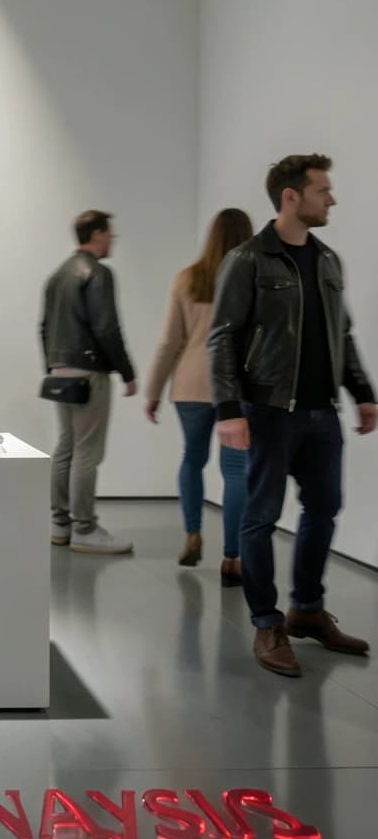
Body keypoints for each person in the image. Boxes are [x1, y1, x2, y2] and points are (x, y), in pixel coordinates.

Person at [208, 154, 376, 677]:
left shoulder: (327, 260)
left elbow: (340, 335)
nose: (332, 199)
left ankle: (306, 609)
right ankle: (266, 621)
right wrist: (229, 409)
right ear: (290, 197)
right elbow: (222, 338)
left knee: (324, 511)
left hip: (321, 414)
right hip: (269, 410)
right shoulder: (248, 259)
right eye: (323, 190)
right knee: (260, 517)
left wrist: (362, 391)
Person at [145, 208, 253, 584]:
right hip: (237, 387)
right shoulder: (252, 275)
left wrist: (153, 390)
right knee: (236, 470)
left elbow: (169, 341)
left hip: (190, 384)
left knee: (192, 459)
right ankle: (233, 557)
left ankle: (192, 534)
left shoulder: (187, 279)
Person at [40, 209, 137, 554]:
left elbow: (44, 327)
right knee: (86, 452)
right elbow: (106, 327)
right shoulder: (97, 273)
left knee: (65, 446)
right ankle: (85, 528)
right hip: (89, 372)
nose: (112, 241)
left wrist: (52, 367)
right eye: (110, 234)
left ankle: (59, 524)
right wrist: (126, 371)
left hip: (60, 372)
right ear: (96, 234)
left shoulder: (57, 275)